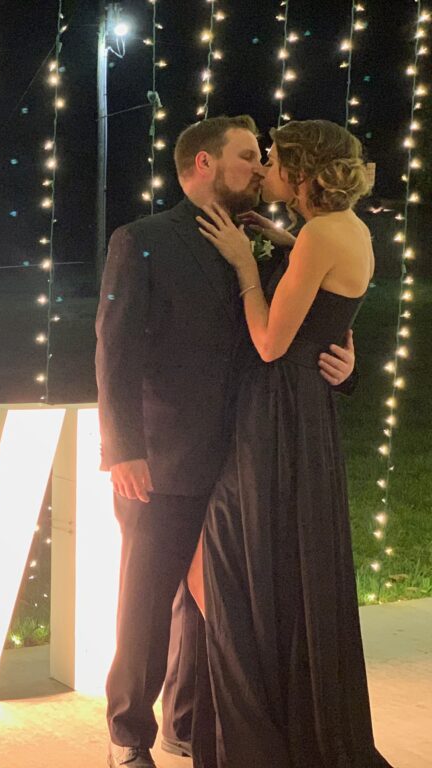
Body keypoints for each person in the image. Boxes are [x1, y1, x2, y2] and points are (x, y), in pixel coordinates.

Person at [94, 115, 358, 768]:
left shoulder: (267, 240)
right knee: (147, 602)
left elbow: (311, 320)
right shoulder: (142, 239)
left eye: (264, 156)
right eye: (247, 156)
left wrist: (348, 367)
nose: (260, 167)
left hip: (248, 458)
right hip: (166, 458)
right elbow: (114, 349)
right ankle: (128, 737)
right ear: (204, 164)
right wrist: (122, 447)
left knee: (216, 609)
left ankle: (189, 724)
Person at [189, 120, 391, 767]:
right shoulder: (344, 229)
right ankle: (277, 718)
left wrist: (248, 266)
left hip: (274, 415)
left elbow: (271, 342)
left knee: (236, 555)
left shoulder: (321, 235)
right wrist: (281, 241)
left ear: (301, 172)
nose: (265, 169)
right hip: (305, 415)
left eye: (273, 160)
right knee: (284, 561)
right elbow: (325, 309)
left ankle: (258, 734)